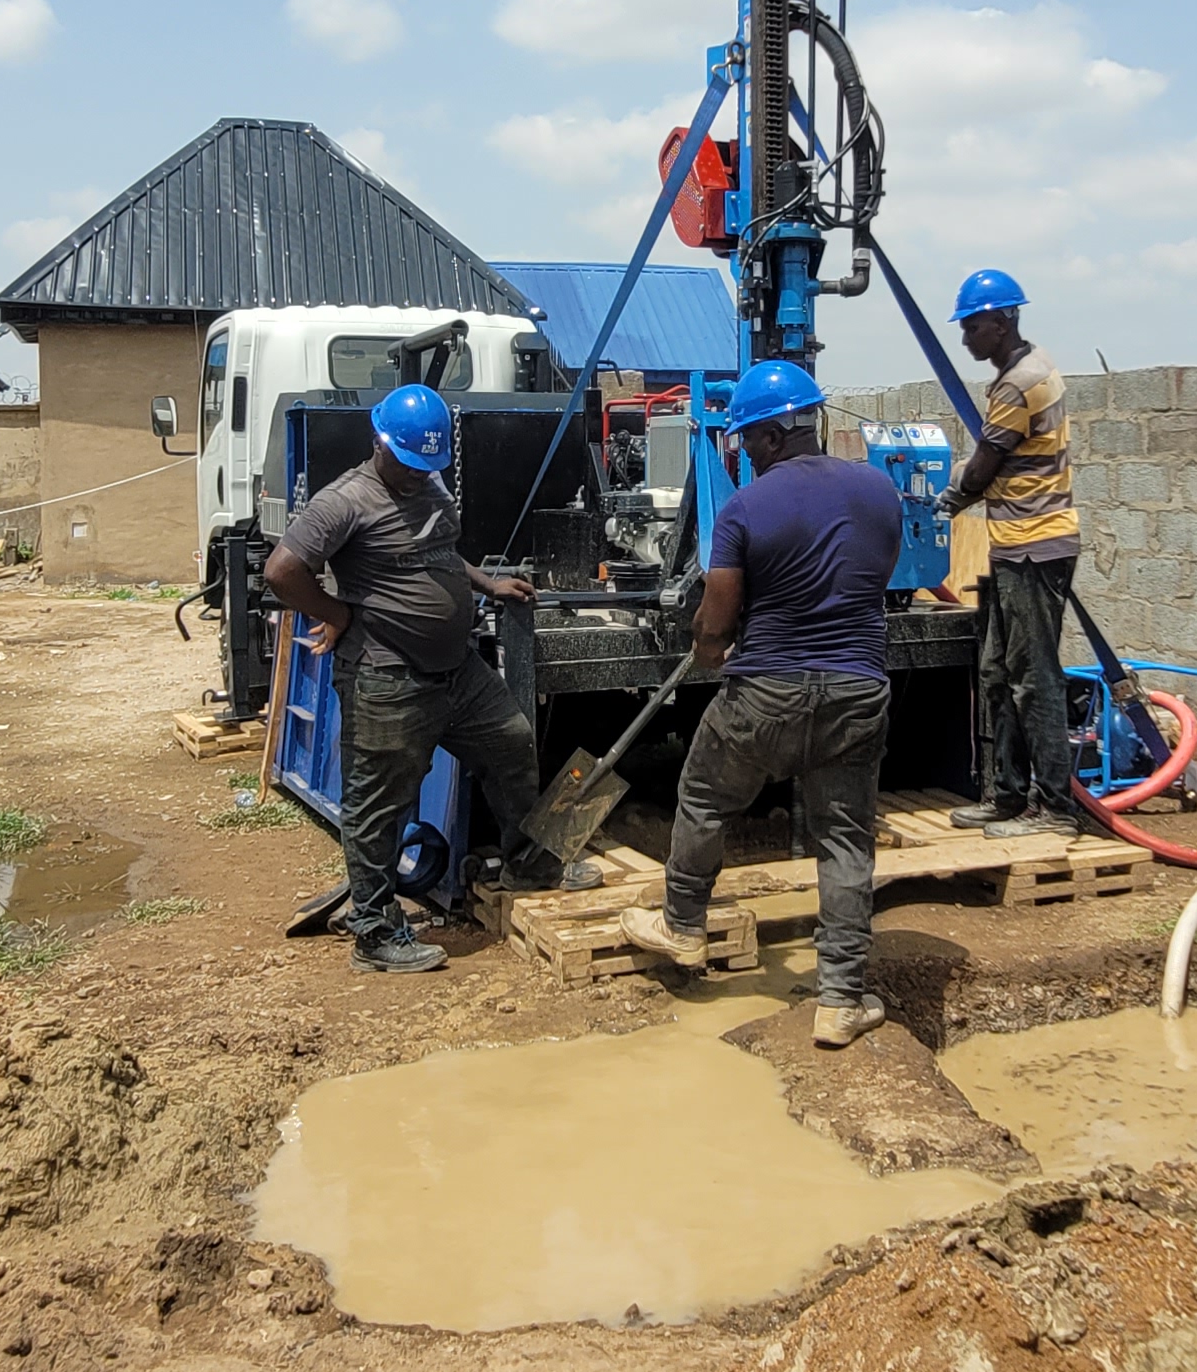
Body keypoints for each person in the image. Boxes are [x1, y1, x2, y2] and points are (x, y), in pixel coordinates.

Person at [616, 361, 906, 1047]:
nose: (742, 452)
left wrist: (711, 649)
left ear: (775, 435)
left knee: (706, 797)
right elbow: (873, 579)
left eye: (746, 440)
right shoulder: (879, 491)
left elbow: (715, 627)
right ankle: (839, 998)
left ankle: (683, 927)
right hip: (858, 690)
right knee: (843, 840)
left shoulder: (745, 510)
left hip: (767, 693)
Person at [262, 382, 592, 976]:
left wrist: (486, 584)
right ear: (380, 442)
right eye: (409, 463)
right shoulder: (344, 501)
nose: (418, 475)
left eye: (426, 465)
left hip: (457, 672)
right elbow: (283, 571)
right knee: (377, 804)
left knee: (512, 743)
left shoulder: (430, 483)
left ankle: (530, 862)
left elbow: (438, 552)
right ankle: (374, 931)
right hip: (387, 677)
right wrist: (337, 614)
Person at [936, 268, 1087, 839]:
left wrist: (943, 502)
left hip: (1034, 547)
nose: (967, 338)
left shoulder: (1018, 383)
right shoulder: (1033, 367)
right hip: (1014, 544)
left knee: (1034, 677)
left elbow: (983, 469)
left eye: (973, 327)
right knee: (997, 670)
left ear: (1002, 323)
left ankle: (1054, 809)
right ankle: (1006, 795)